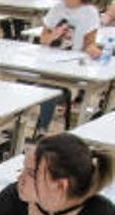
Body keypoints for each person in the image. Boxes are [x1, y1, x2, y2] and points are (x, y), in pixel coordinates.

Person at [35, 0, 101, 134]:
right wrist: (54, 34)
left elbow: (90, 43)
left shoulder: (90, 12)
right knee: (28, 80)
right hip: (49, 61)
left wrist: (93, 50)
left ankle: (43, 129)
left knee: (50, 86)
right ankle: (33, 126)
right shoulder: (57, 8)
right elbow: (43, 39)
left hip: (73, 65)